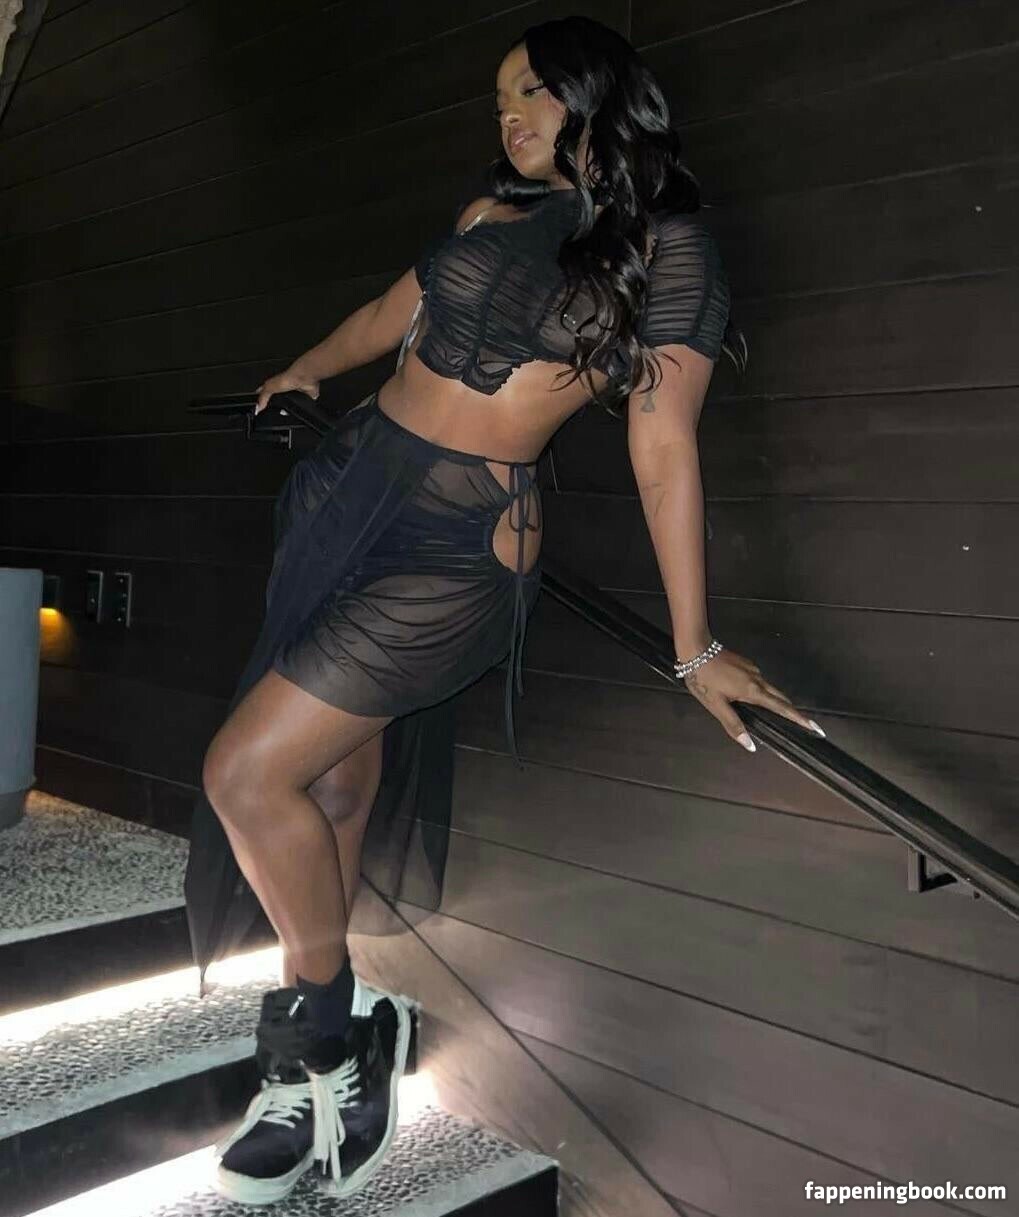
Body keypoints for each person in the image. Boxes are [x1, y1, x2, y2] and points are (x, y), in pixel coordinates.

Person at [199, 13, 826, 1206]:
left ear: (599, 96)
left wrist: (692, 646)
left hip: (455, 547)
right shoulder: (492, 211)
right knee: (326, 786)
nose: (508, 112)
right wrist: (309, 367)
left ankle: (316, 1041)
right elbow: (396, 312)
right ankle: (331, 1030)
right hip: (344, 496)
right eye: (499, 96)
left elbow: (662, 444)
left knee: (245, 772)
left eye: (532, 89)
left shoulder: (669, 247)